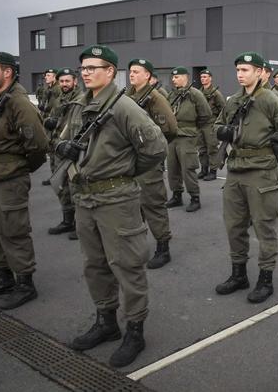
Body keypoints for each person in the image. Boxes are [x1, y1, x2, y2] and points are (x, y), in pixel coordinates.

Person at [59, 45, 167, 367]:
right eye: (83, 67)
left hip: (117, 199)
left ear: (110, 72)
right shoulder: (80, 104)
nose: (86, 72)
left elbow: (156, 147)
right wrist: (63, 146)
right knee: (94, 264)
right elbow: (66, 138)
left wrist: (128, 171)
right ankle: (106, 322)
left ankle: (135, 330)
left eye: (94, 67)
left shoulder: (125, 107)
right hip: (86, 197)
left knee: (127, 265)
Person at [0, 52, 49, 310]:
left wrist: (20, 168)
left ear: (8, 72)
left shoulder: (19, 103)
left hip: (9, 177)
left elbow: (38, 145)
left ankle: (25, 283)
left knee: (13, 231)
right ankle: (3, 277)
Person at [214, 51, 278, 304]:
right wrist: (222, 131)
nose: (240, 74)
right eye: (238, 70)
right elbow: (217, 124)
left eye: (245, 70)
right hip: (234, 171)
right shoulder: (234, 100)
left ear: (260, 72)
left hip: (261, 172)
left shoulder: (271, 100)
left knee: (264, 226)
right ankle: (239, 275)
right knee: (234, 226)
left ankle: (265, 279)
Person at [127, 58, 178, 268]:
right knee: (132, 206)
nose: (132, 74)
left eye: (137, 71)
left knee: (153, 204)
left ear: (147, 75)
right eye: (130, 71)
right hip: (129, 160)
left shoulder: (155, 98)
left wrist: (153, 150)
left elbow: (171, 130)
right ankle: (136, 247)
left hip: (148, 162)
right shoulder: (127, 96)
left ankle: (163, 248)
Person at [165, 67, 212, 212]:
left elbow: (206, 114)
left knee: (188, 169)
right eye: (173, 78)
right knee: (172, 169)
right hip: (172, 136)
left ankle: (194, 197)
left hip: (187, 136)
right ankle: (176, 195)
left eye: (176, 77)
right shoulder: (172, 94)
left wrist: (193, 128)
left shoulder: (195, 94)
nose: (173, 80)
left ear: (185, 78)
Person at [45, 67, 82, 237]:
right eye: (62, 81)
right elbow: (49, 115)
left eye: (68, 81)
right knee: (61, 187)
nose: (64, 84)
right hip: (56, 148)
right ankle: (67, 220)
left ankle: (80, 225)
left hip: (71, 150)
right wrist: (49, 121)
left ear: (75, 81)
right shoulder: (59, 99)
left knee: (76, 188)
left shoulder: (81, 100)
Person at [198, 69, 225, 181]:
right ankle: (204, 170)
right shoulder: (199, 93)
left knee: (212, 148)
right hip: (200, 124)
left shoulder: (216, 93)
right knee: (202, 149)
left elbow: (223, 109)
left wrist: (217, 123)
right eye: (202, 77)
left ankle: (213, 171)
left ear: (210, 78)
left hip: (211, 124)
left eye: (205, 76)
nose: (203, 79)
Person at [39, 68, 62, 186]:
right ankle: (54, 176)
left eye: (48, 75)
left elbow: (58, 105)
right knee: (51, 150)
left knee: (55, 151)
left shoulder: (57, 89)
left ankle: (56, 177)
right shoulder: (49, 88)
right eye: (46, 75)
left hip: (54, 122)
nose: (46, 77)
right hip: (48, 121)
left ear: (54, 77)